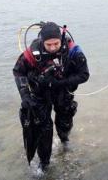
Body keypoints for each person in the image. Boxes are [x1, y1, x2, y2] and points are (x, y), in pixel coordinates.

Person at [13, 22, 89, 173]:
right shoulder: (31, 53)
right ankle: (45, 162)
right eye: (49, 44)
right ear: (42, 41)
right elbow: (18, 71)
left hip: (63, 90)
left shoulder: (73, 50)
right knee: (43, 128)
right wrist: (25, 95)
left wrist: (60, 82)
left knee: (64, 119)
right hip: (40, 93)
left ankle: (65, 141)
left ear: (61, 38)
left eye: (56, 43)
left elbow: (84, 75)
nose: (53, 47)